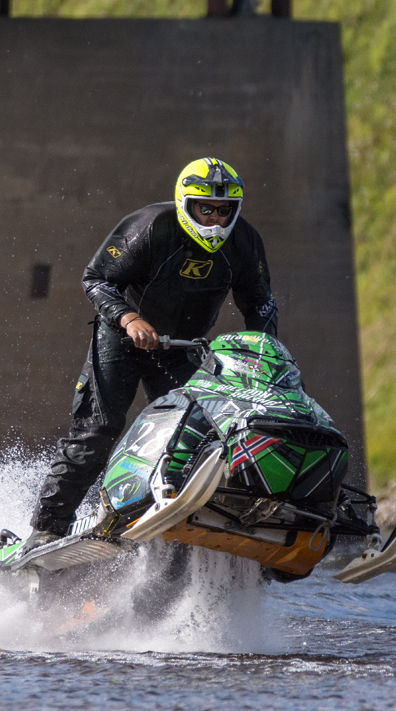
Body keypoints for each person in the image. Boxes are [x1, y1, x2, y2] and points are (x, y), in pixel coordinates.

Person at [27, 157, 278, 548]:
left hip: (179, 350)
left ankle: (170, 526)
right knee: (99, 430)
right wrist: (128, 318)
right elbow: (95, 278)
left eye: (223, 210)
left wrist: (264, 354)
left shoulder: (245, 242)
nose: (213, 219)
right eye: (205, 208)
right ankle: (46, 528)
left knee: (197, 438)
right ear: (185, 203)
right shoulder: (149, 227)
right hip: (122, 339)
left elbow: (260, 304)